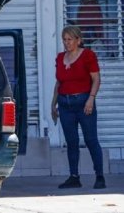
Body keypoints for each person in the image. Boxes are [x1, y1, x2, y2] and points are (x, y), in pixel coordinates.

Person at [51, 25, 106, 189]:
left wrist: (91, 99)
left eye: (70, 39)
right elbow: (59, 82)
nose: (67, 43)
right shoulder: (60, 58)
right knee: (71, 141)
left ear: (78, 40)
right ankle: (74, 177)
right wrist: (53, 104)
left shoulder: (88, 56)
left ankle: (100, 176)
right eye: (64, 40)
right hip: (65, 104)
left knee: (90, 140)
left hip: (83, 102)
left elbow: (96, 79)